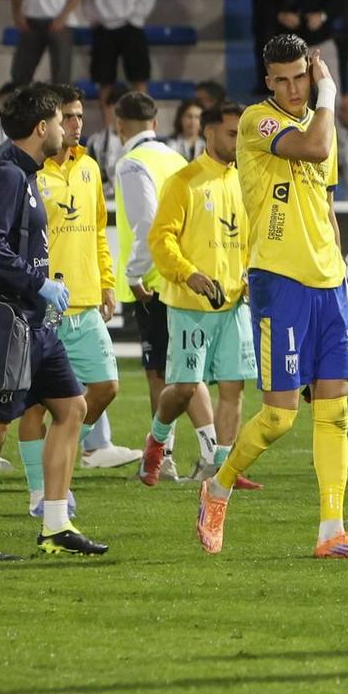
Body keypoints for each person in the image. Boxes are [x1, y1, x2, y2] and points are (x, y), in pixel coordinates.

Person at [197, 34, 348, 559]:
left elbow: (326, 207)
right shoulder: (259, 121)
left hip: (328, 284)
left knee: (335, 410)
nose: (290, 87)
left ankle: (332, 531)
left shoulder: (320, 123)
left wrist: (341, 277)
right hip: (279, 282)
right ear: (267, 82)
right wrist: (328, 90)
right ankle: (218, 486)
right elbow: (317, 146)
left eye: (299, 75)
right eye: (280, 78)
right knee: (279, 416)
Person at [0, 82, 107, 560]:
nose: (66, 129)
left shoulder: (26, 173)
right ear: (43, 128)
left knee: (73, 408)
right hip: (9, 325)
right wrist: (35, 283)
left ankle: (56, 524)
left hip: (36, 327)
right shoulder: (7, 176)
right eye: (61, 121)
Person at [20, 84, 131, 507]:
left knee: (105, 387)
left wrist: (106, 282)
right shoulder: (31, 175)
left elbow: (100, 232)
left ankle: (59, 451)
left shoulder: (89, 167)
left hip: (84, 303)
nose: (76, 124)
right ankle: (39, 491)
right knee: (32, 408)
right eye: (68, 116)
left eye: (80, 116)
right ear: (47, 122)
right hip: (43, 310)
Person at [144, 102, 250, 491]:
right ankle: (157, 439)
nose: (239, 142)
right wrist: (189, 274)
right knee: (186, 388)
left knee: (233, 385)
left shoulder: (246, 181)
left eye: (243, 134)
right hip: (190, 304)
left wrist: (251, 274)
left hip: (234, 301)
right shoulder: (184, 181)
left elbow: (252, 238)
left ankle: (220, 469)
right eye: (232, 133)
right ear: (209, 133)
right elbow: (161, 238)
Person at [110, 89, 188, 472]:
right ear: (155, 123)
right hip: (182, 275)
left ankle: (164, 455)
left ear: (118, 124)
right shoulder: (177, 159)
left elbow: (146, 225)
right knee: (186, 368)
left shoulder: (131, 164)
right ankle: (210, 451)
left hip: (153, 282)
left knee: (159, 371)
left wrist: (134, 273)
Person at [86, 81, 128, 180]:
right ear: (109, 108)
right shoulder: (95, 142)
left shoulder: (139, 143)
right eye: (115, 107)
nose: (119, 114)